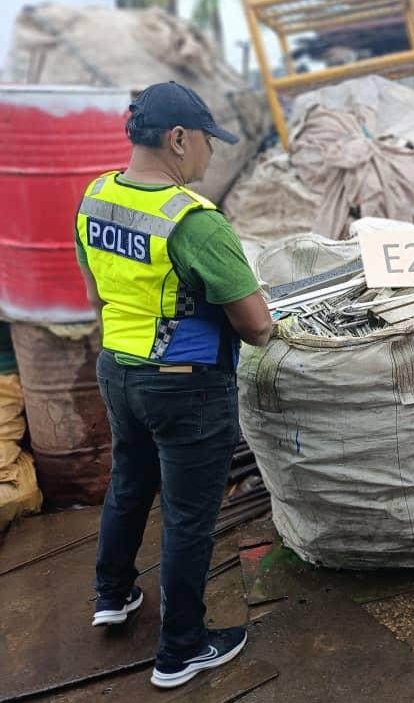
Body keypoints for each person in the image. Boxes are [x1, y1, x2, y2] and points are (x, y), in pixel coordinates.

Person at [74, 81, 272, 689]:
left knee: (129, 486)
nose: (211, 155)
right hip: (186, 387)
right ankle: (181, 649)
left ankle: (112, 594)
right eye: (208, 142)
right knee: (188, 517)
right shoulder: (194, 222)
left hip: (119, 370)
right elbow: (258, 326)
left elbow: (96, 297)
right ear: (178, 139)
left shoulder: (97, 198)